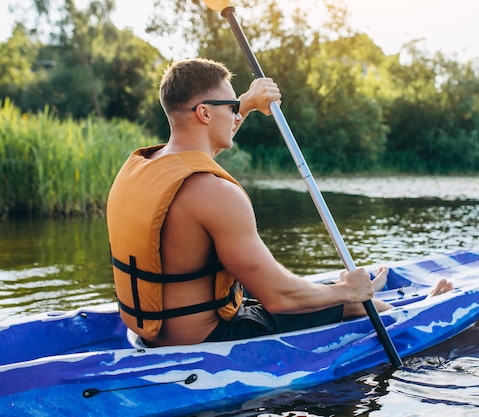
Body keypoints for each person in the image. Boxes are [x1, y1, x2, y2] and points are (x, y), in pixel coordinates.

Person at [107, 58, 452, 347]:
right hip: (206, 340)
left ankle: (356, 292)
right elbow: (279, 299)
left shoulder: (143, 167)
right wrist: (347, 292)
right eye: (230, 108)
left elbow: (201, 147)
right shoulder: (217, 194)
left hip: (151, 331)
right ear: (204, 114)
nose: (236, 115)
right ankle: (420, 312)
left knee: (300, 285)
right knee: (352, 305)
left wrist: (246, 102)